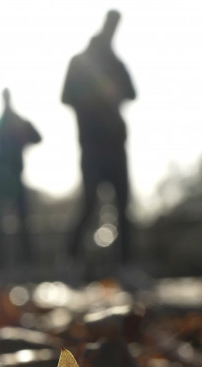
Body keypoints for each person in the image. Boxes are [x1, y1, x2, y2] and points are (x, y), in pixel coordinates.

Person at [62, 9, 136, 264]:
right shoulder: (79, 62)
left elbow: (132, 93)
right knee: (89, 205)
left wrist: (113, 91)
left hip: (116, 145)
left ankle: (126, 266)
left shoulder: (116, 63)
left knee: (123, 208)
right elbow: (66, 97)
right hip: (92, 146)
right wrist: (91, 96)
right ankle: (71, 262)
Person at [0, 89, 42, 270]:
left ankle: (22, 265)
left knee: (20, 226)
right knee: (0, 227)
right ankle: (4, 266)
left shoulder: (13, 125)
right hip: (0, 182)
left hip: (8, 182)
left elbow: (37, 137)